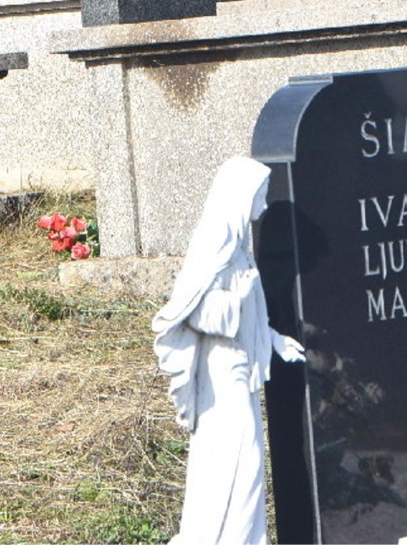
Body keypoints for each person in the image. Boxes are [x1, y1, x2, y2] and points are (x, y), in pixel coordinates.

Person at [151, 156, 307, 545]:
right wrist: (236, 300)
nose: (265, 205)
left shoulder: (238, 247)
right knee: (239, 460)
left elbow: (251, 313)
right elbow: (191, 311)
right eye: (261, 195)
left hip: (242, 367)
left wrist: (273, 340)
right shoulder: (213, 243)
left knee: (243, 464)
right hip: (222, 370)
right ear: (239, 196)